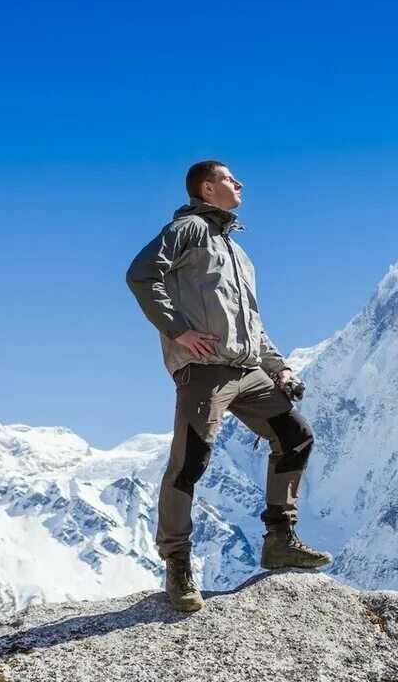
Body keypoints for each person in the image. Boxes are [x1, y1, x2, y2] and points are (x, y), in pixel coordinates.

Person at [125, 160, 331, 613]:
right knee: (189, 463)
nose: (239, 184)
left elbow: (252, 325)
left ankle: (280, 540)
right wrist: (178, 329)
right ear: (206, 187)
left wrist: (280, 369)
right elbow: (141, 275)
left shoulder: (238, 253)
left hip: (248, 371)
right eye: (228, 179)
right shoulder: (190, 231)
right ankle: (177, 565)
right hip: (205, 372)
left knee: (296, 436)